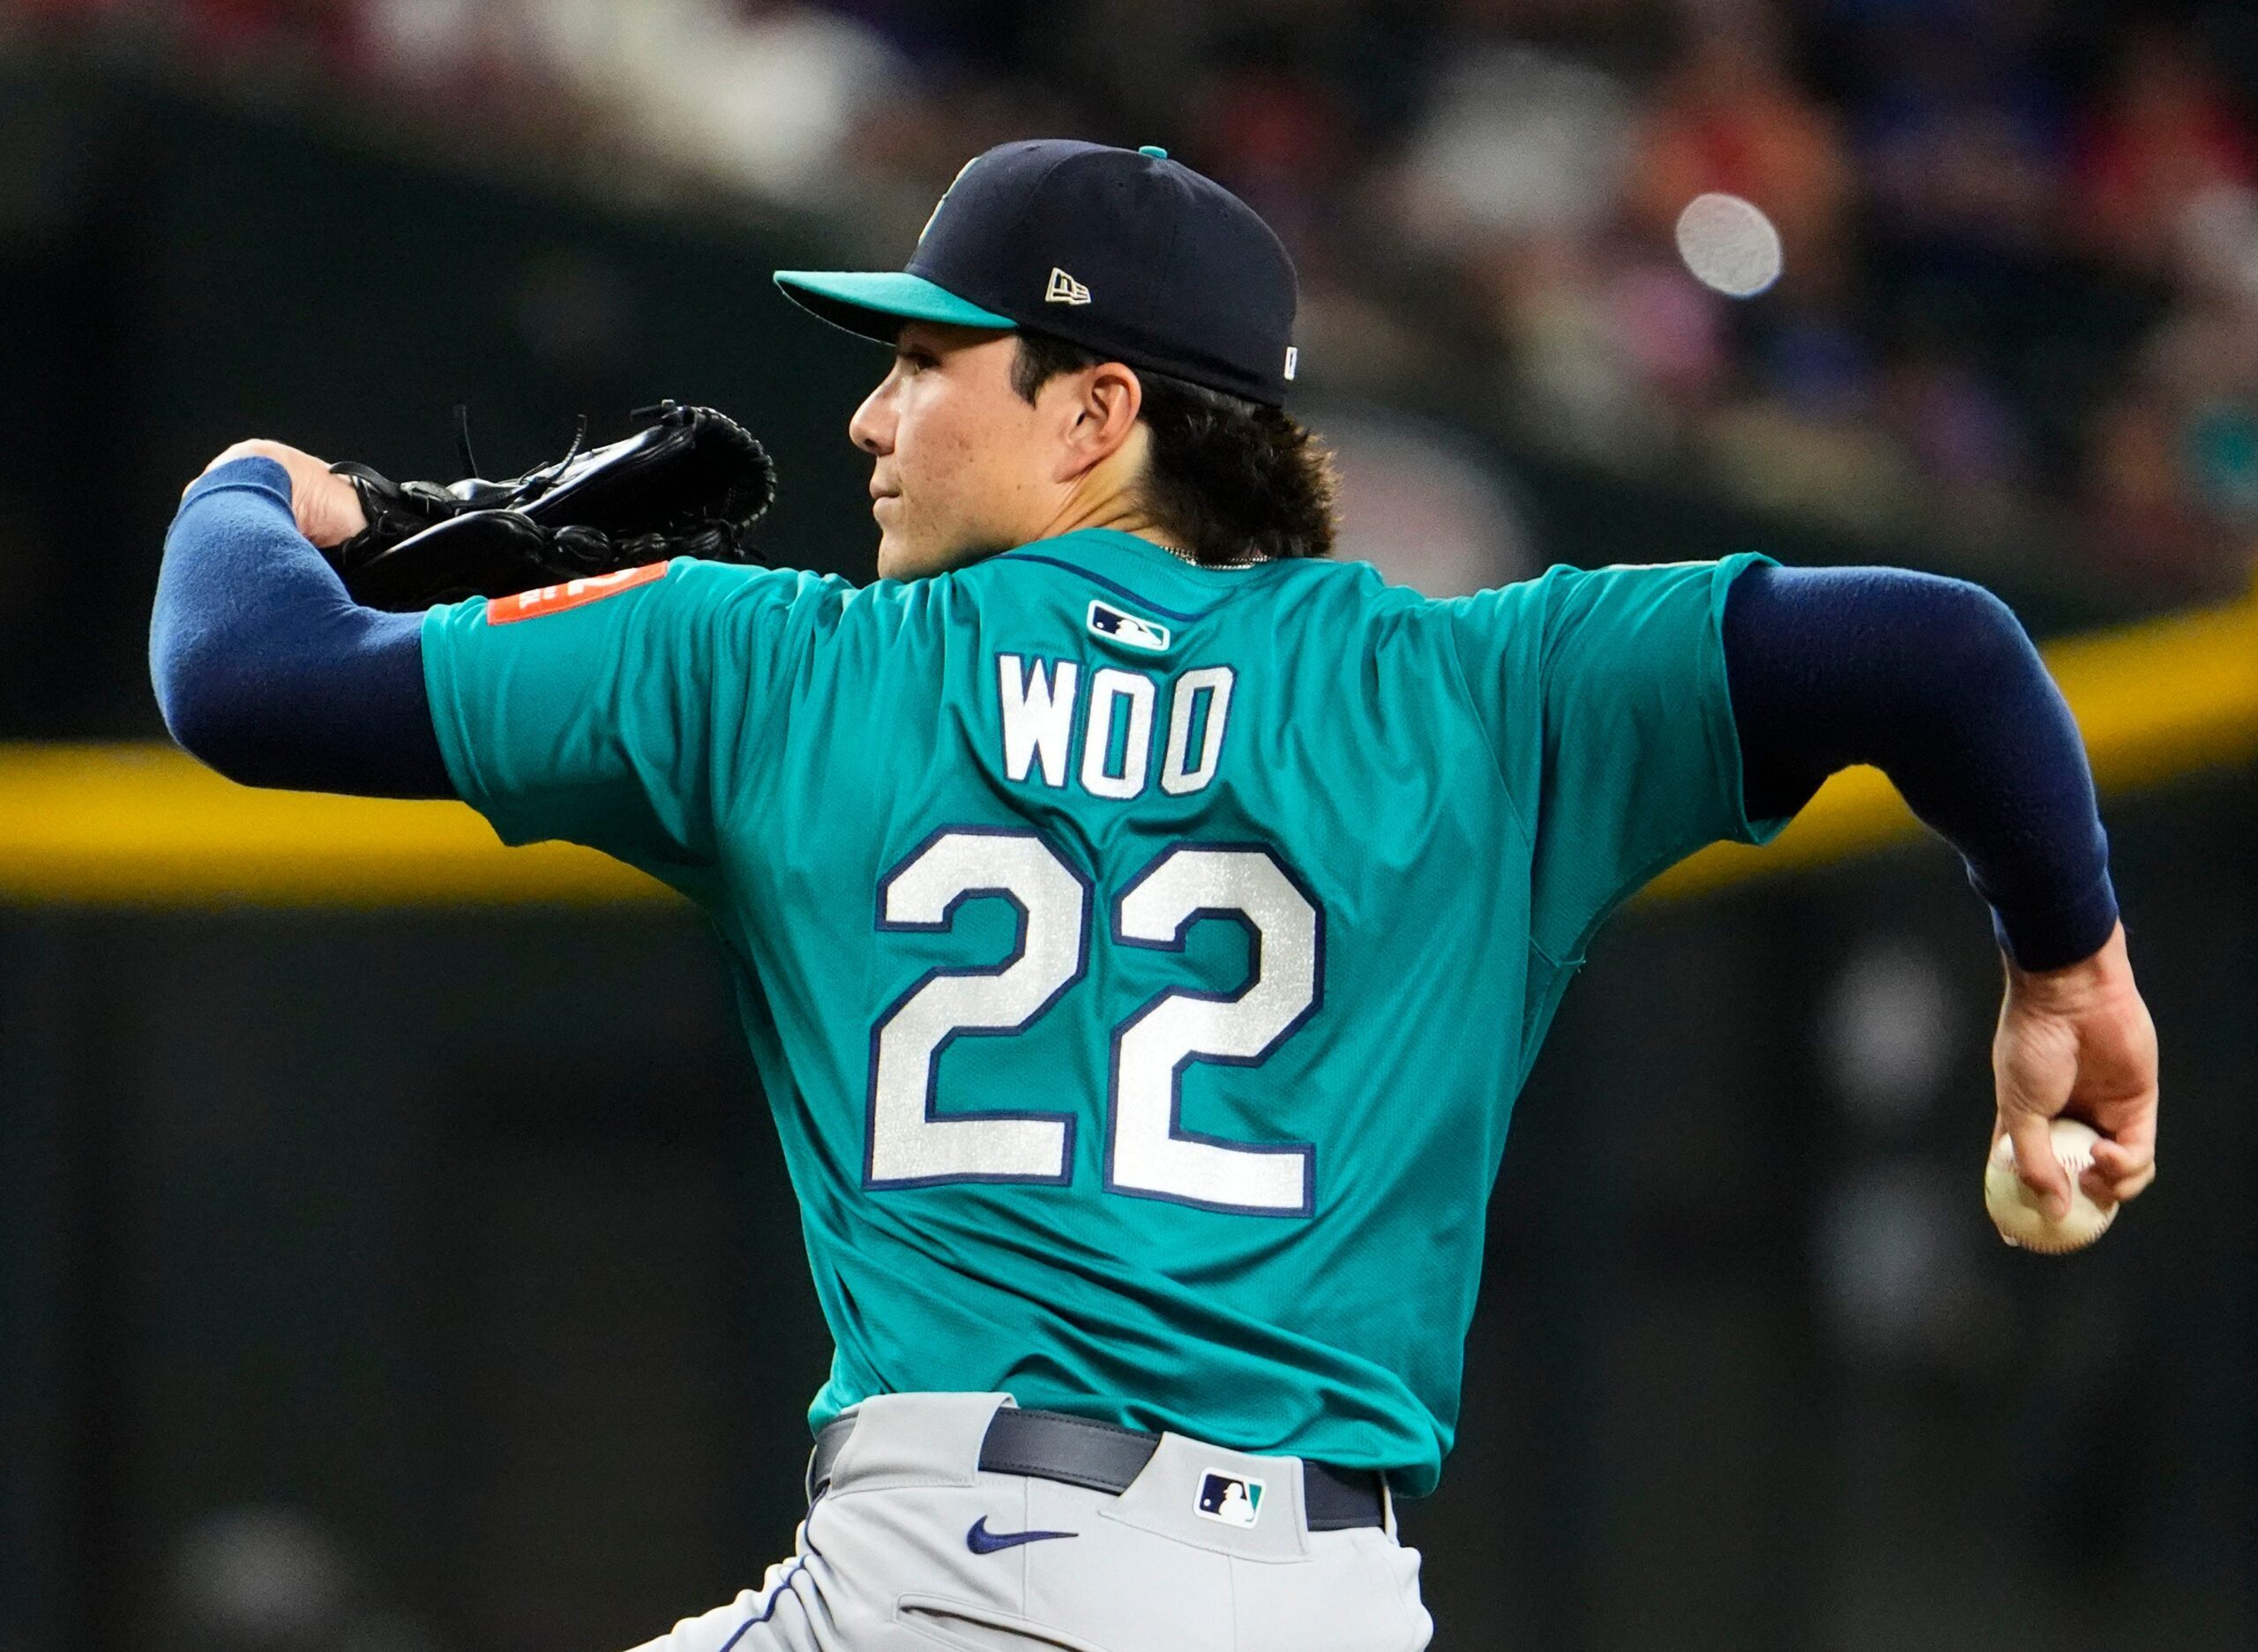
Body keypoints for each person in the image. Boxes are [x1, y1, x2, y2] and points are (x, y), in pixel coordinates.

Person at [149, 139, 2158, 1651]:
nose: (867, 413)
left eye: (930, 358)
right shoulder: (1473, 689)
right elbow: (1939, 647)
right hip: (1322, 1600)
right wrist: (2061, 957)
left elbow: (242, 675)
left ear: (1095, 409)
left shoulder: (776, 662)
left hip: (948, 1575)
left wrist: (275, 486)